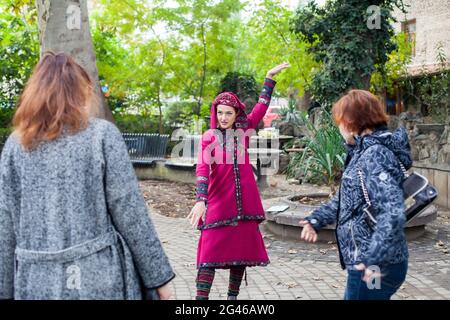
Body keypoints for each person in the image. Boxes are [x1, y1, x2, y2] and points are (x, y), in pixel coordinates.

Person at [0, 52, 175, 300]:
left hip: (36, 283)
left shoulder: (15, 146)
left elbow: (5, 228)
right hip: (98, 279)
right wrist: (159, 278)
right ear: (80, 92)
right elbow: (131, 213)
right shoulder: (101, 136)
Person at [187, 63, 290, 300]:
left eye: (228, 113)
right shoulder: (208, 137)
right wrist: (201, 200)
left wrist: (269, 79)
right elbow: (202, 168)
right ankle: (200, 301)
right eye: (220, 112)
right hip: (218, 201)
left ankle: (232, 299)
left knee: (240, 251)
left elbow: (261, 108)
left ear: (236, 115)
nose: (223, 117)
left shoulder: (245, 129)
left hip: (244, 202)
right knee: (209, 254)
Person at [300, 89, 412, 300]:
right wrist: (316, 219)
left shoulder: (374, 155)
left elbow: (392, 211)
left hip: (375, 266)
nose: (339, 127)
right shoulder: (363, 152)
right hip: (370, 262)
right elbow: (348, 200)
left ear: (352, 121)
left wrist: (374, 259)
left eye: (340, 121)